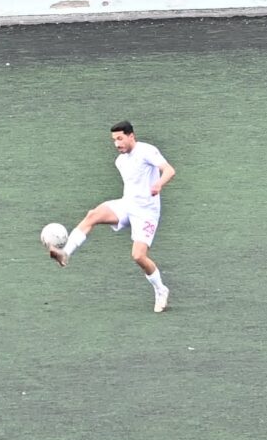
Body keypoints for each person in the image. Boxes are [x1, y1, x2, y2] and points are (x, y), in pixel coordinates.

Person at [46, 121, 174, 313]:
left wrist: (159, 184)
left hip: (146, 212)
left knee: (138, 256)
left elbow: (169, 170)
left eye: (120, 138)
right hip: (127, 205)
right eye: (114, 140)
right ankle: (65, 253)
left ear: (131, 136)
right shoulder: (120, 161)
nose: (117, 144)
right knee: (93, 215)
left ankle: (161, 289)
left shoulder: (146, 151)